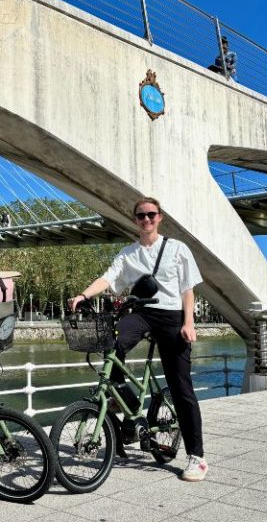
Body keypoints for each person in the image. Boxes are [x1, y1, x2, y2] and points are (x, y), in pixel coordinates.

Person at [68, 197, 207, 482]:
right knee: (112, 343)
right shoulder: (128, 253)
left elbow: (187, 290)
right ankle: (129, 406)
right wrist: (83, 295)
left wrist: (189, 323)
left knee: (181, 385)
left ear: (160, 217)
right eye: (140, 216)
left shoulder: (177, 249)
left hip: (171, 315)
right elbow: (108, 278)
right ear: (135, 220)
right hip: (141, 312)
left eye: (151, 215)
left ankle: (197, 457)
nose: (146, 220)